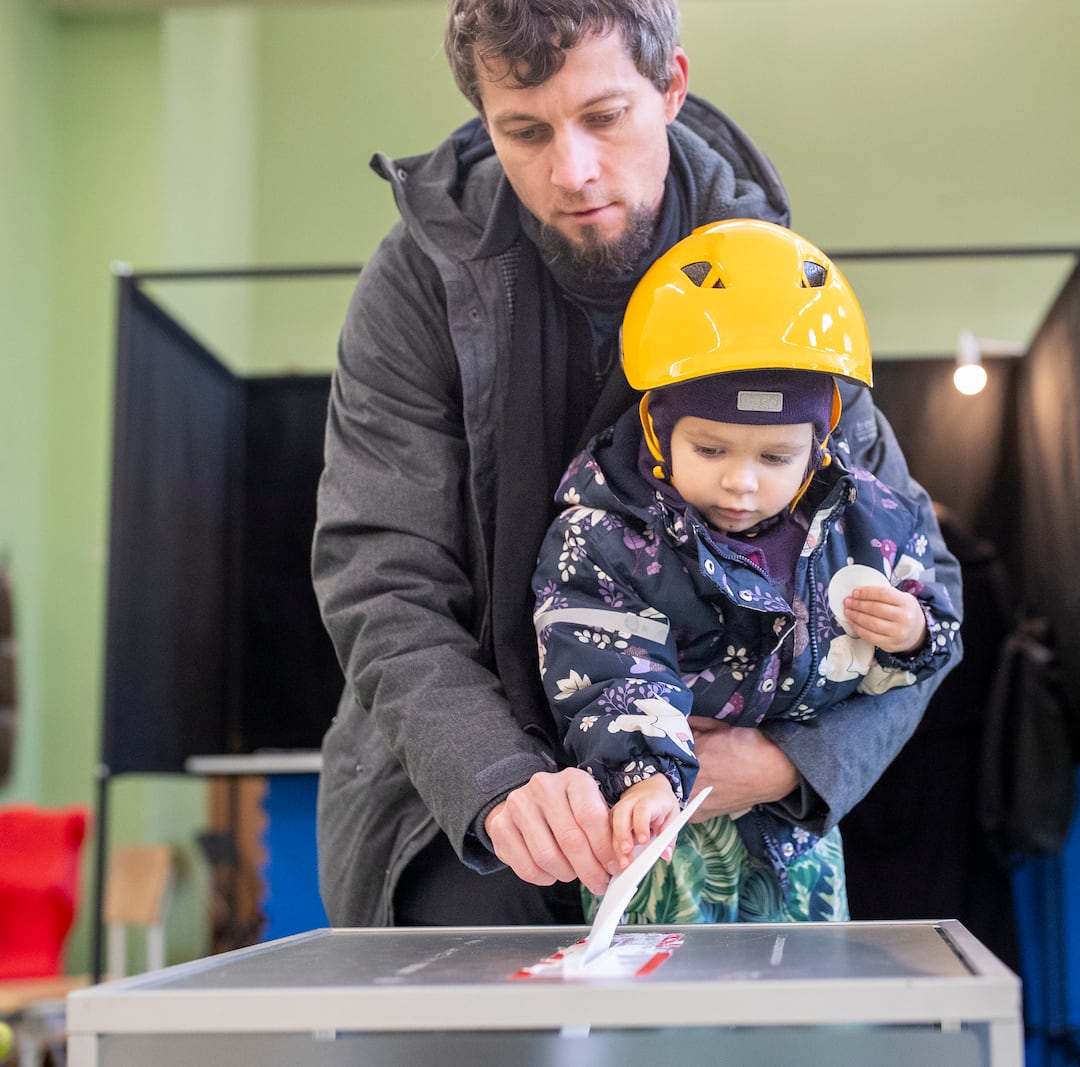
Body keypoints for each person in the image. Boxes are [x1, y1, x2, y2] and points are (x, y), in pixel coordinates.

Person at [311, 0, 963, 928]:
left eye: (605, 116)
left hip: (720, 819)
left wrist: (788, 763)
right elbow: (382, 582)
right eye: (523, 132)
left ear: (671, 87)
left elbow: (924, 584)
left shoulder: (777, 285)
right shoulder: (416, 283)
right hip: (456, 809)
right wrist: (496, 778)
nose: (571, 170)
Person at [533, 219, 962, 923]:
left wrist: (914, 633)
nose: (742, 483)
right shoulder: (607, 534)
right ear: (655, 429)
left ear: (821, 444)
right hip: (656, 830)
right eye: (710, 449)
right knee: (660, 1020)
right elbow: (606, 664)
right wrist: (642, 771)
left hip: (796, 837)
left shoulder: (863, 525)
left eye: (774, 458)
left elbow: (928, 627)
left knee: (799, 1016)